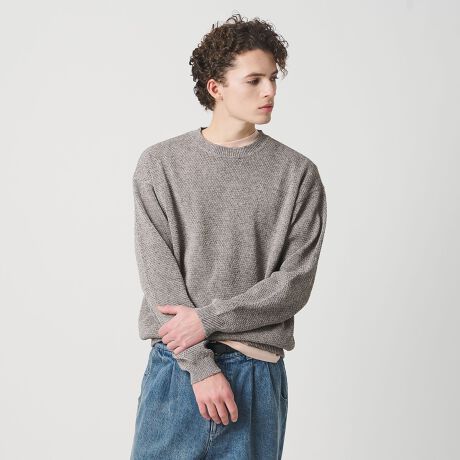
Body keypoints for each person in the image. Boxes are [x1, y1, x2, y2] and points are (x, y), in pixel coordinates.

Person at [129, 12, 327, 460]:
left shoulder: (298, 175)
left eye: (273, 78)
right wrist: (200, 365)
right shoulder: (160, 165)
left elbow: (294, 284)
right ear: (215, 87)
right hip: (177, 369)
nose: (269, 91)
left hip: (255, 372)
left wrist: (208, 318)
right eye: (254, 80)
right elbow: (159, 276)